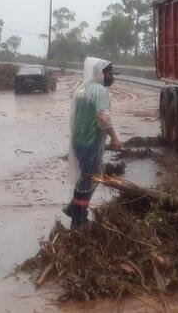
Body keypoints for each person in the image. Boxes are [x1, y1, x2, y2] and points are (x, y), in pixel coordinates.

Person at [63, 58, 122, 228]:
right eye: (110, 73)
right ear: (101, 73)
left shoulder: (81, 88)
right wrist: (115, 138)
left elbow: (73, 117)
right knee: (88, 180)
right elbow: (103, 118)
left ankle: (73, 208)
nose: (111, 77)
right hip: (90, 144)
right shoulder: (99, 91)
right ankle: (78, 220)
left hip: (77, 141)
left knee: (85, 178)